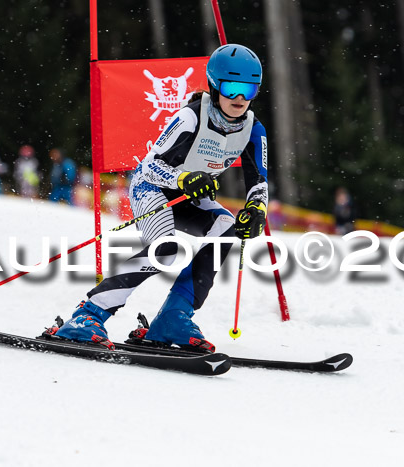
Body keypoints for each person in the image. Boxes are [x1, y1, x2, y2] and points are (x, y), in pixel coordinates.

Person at [47, 44, 269, 352]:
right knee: (165, 249)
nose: (240, 99)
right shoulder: (190, 117)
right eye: (232, 88)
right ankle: (87, 316)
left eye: (249, 89)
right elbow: (150, 165)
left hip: (189, 195)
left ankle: (173, 318)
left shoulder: (253, 129)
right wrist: (183, 178)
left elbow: (258, 180)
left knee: (226, 227)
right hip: (151, 187)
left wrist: (257, 210)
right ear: (215, 85)